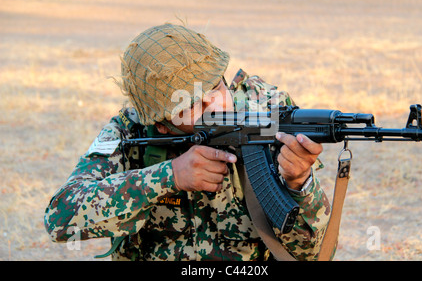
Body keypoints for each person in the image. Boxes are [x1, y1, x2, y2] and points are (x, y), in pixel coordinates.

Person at [44, 23, 332, 261]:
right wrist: (169, 175)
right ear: (161, 124)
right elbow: (59, 219)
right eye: (191, 104)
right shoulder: (131, 132)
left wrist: (300, 184)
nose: (214, 105)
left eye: (216, 87)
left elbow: (312, 253)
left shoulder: (268, 110)